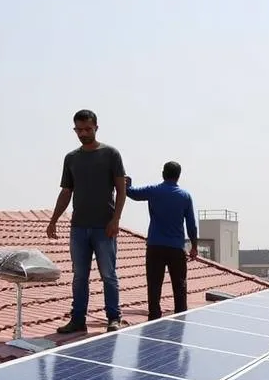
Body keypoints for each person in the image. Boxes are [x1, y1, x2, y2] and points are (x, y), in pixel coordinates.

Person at [46, 108, 127, 333]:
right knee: (79, 276)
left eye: (87, 129)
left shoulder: (111, 154)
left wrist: (116, 219)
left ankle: (114, 317)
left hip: (104, 227)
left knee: (108, 275)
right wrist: (53, 220)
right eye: (79, 130)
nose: (83, 133)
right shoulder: (71, 158)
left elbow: (121, 190)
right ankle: (78, 319)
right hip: (79, 228)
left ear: (96, 128)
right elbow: (66, 192)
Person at [126, 161, 199, 320]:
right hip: (176, 248)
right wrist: (194, 246)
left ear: (163, 173)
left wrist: (127, 183)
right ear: (178, 176)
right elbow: (191, 225)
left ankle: (154, 317)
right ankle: (180, 316)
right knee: (179, 286)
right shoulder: (185, 196)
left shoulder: (154, 191)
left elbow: (132, 193)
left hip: (155, 246)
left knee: (154, 286)